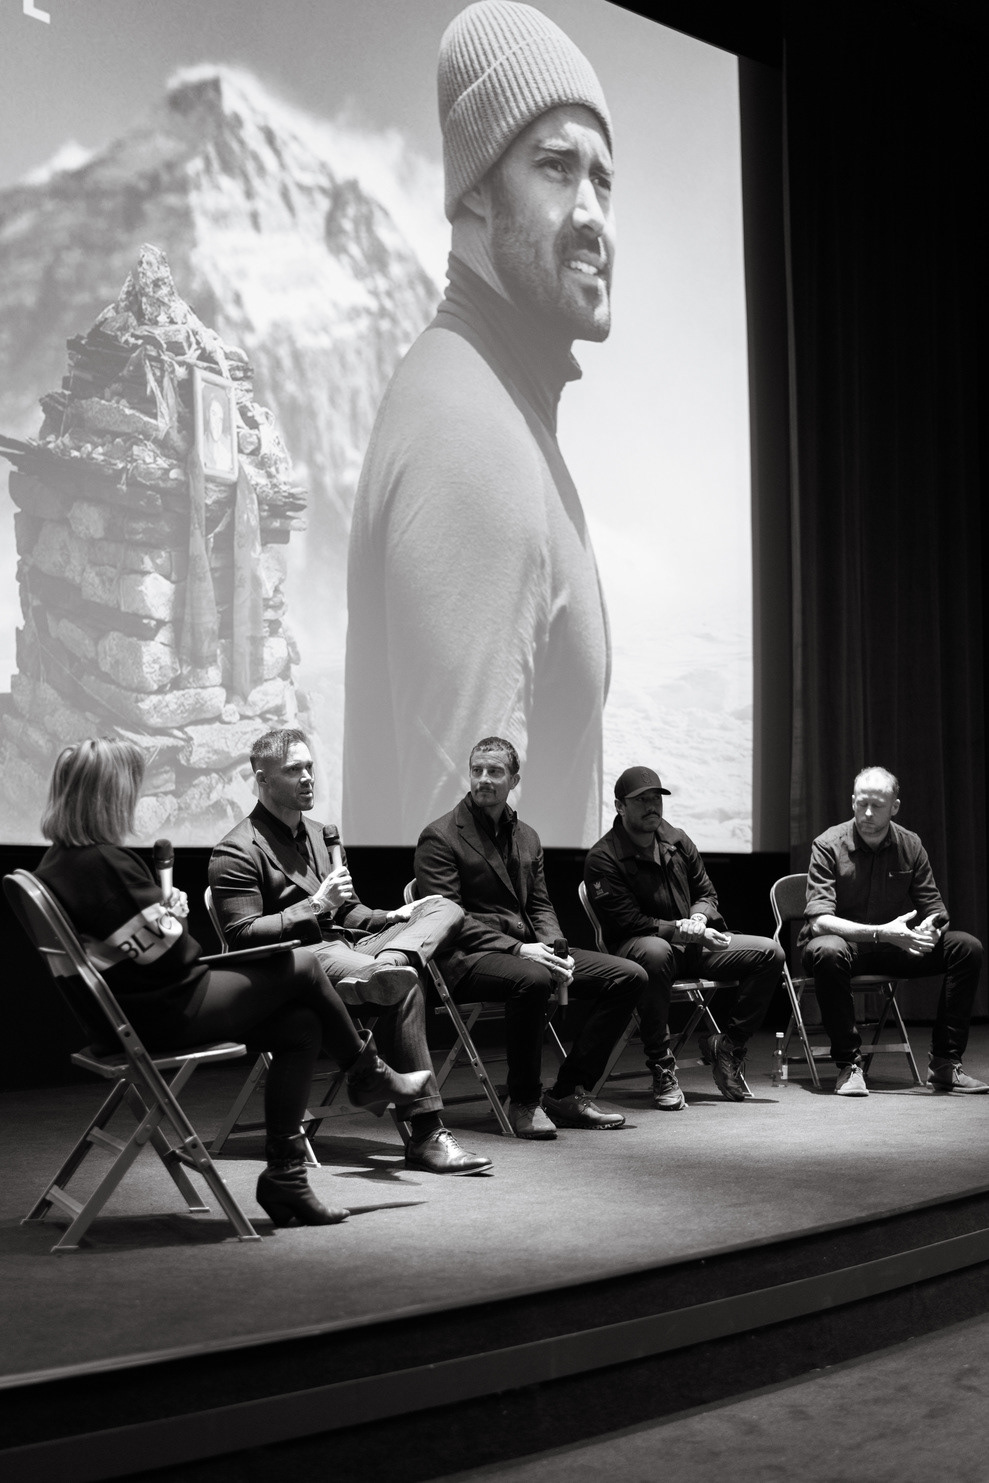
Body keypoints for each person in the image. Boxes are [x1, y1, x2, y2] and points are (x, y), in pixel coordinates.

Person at [344, 0, 616, 848]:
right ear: (473, 191)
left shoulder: (486, 404)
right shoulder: (472, 442)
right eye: (555, 168)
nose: (592, 215)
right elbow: (461, 885)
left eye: (603, 180)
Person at [34, 738, 433, 1228]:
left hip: (120, 1018)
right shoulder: (106, 864)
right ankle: (367, 1073)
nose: (135, 799)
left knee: (302, 1026)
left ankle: (287, 1176)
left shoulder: (58, 864)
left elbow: (129, 949)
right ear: (108, 796)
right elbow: (178, 957)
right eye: (131, 788)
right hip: (162, 1013)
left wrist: (161, 919)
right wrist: (171, 921)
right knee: (305, 965)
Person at [209, 728, 492, 1175]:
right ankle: (427, 1134)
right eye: (294, 769)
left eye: (309, 767)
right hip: (300, 960)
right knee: (404, 986)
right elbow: (242, 935)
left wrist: (394, 916)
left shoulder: (321, 834)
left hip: (354, 950)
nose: (308, 777)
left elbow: (351, 912)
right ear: (262, 778)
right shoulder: (236, 849)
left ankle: (386, 968)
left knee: (443, 907)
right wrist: (315, 905)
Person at [415, 736, 648, 1138]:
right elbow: (446, 919)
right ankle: (524, 1101)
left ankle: (569, 1092)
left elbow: (540, 905)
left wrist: (558, 950)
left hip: (529, 951)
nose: (483, 779)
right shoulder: (440, 836)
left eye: (495, 771)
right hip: (467, 957)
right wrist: (520, 948)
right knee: (534, 979)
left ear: (514, 779)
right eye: (476, 770)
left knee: (629, 976)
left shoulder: (527, 836)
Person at [583, 767, 784, 1108]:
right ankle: (662, 1067)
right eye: (641, 800)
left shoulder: (676, 840)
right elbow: (630, 922)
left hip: (692, 943)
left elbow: (706, 892)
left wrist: (698, 919)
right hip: (639, 950)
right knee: (657, 952)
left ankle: (729, 1046)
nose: (652, 806)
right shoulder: (603, 858)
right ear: (619, 806)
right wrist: (683, 929)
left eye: (656, 798)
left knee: (770, 953)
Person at [800, 766, 986, 1096]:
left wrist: (932, 927)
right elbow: (819, 921)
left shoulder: (910, 844)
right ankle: (849, 1065)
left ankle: (945, 1063)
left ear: (895, 807)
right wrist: (880, 932)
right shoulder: (828, 844)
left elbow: (935, 908)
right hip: (843, 949)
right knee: (829, 949)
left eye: (878, 806)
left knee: (966, 948)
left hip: (892, 948)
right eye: (862, 804)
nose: (868, 813)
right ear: (853, 801)